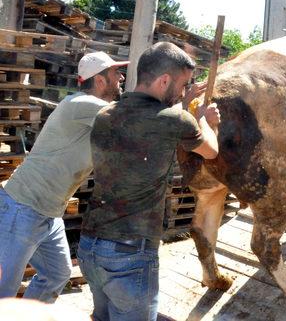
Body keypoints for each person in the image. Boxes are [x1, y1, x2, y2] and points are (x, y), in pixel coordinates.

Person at [77, 42, 219, 321]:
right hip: (130, 254)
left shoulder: (105, 115)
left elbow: (152, 119)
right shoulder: (177, 120)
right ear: (164, 80)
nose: (182, 92)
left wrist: (184, 104)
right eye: (182, 85)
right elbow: (211, 151)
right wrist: (203, 120)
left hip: (90, 247)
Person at [0, 52, 128, 302]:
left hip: (48, 211)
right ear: (100, 80)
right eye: (116, 73)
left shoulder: (96, 116)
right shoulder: (78, 104)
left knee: (57, 274)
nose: (121, 77)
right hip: (23, 207)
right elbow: (127, 118)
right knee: (4, 289)